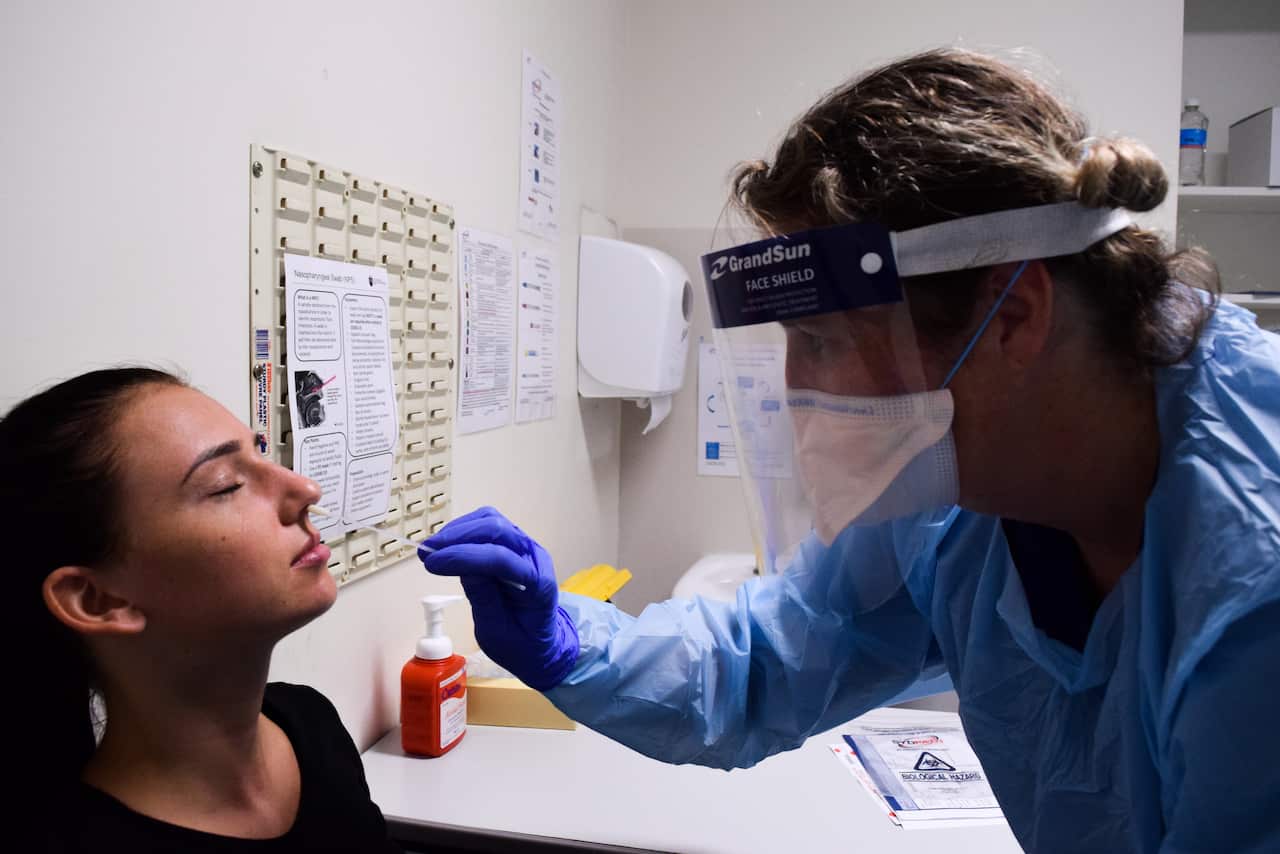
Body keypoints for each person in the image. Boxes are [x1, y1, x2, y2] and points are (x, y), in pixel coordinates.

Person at [419, 49, 1280, 853]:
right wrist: (576, 644)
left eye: (822, 338)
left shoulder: (1256, 577)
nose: (799, 388)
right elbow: (789, 645)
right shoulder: (964, 494)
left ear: (1013, 316)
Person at [9, 368, 400, 852]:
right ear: (98, 599)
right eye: (225, 485)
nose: (305, 490)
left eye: (260, 453)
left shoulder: (310, 725)